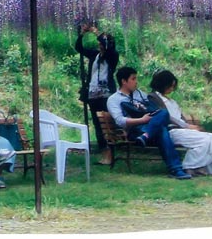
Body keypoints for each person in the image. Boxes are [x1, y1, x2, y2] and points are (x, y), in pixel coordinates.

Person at [106, 66, 191, 180]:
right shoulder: (114, 99)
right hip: (134, 130)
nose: (136, 82)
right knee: (161, 129)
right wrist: (142, 120)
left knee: (164, 114)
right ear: (124, 81)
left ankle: (146, 135)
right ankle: (176, 170)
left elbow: (154, 109)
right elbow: (120, 121)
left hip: (148, 128)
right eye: (133, 79)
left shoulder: (140, 94)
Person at [149, 69, 212, 176]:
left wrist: (190, 126)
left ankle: (200, 166)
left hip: (183, 129)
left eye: (173, 86)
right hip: (172, 131)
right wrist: (187, 126)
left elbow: (179, 117)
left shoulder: (172, 101)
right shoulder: (154, 98)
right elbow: (167, 116)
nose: (172, 89)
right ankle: (189, 166)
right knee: (206, 140)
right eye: (170, 86)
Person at [75, 22, 119, 165]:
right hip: (93, 95)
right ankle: (104, 154)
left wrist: (95, 31)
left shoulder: (112, 57)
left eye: (101, 44)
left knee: (107, 124)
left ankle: (111, 153)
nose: (99, 46)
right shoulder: (95, 55)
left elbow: (108, 47)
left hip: (107, 95)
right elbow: (78, 48)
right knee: (98, 124)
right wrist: (82, 34)